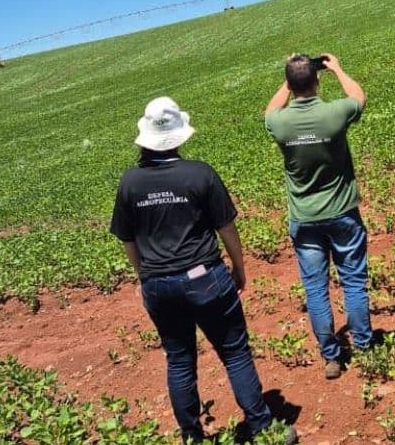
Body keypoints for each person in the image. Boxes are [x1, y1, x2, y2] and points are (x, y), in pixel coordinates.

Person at [110, 97, 295, 444]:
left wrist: (145, 276)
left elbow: (128, 240)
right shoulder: (200, 173)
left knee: (179, 360)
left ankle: (192, 436)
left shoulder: (129, 182)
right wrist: (239, 269)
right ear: (179, 135)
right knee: (235, 353)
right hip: (206, 278)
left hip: (158, 284)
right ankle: (262, 427)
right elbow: (227, 229)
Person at [265, 53, 372, 379]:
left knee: (315, 289)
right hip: (342, 214)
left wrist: (291, 76)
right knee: (353, 281)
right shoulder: (335, 113)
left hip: (305, 219)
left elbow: (270, 110)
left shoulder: (279, 123)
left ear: (291, 84)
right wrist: (337, 67)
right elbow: (358, 97)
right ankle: (365, 347)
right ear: (316, 79)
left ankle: (331, 357)